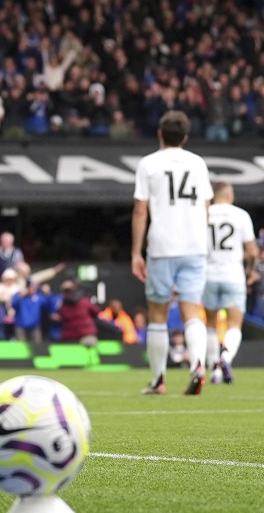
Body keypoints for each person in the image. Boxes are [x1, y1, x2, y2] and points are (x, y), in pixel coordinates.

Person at [131, 110, 213, 396]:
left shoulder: (149, 164)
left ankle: (158, 380)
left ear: (159, 134)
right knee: (192, 309)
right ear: (186, 137)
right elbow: (205, 207)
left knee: (157, 313)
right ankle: (199, 365)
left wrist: (135, 253)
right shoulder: (198, 163)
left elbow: (141, 210)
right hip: (194, 246)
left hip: (163, 246)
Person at [202, 181, 257, 384]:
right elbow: (251, 251)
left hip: (208, 274)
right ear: (230, 195)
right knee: (234, 324)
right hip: (233, 275)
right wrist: (250, 271)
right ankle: (225, 358)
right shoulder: (240, 215)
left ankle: (214, 372)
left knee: (209, 324)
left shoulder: (204, 213)